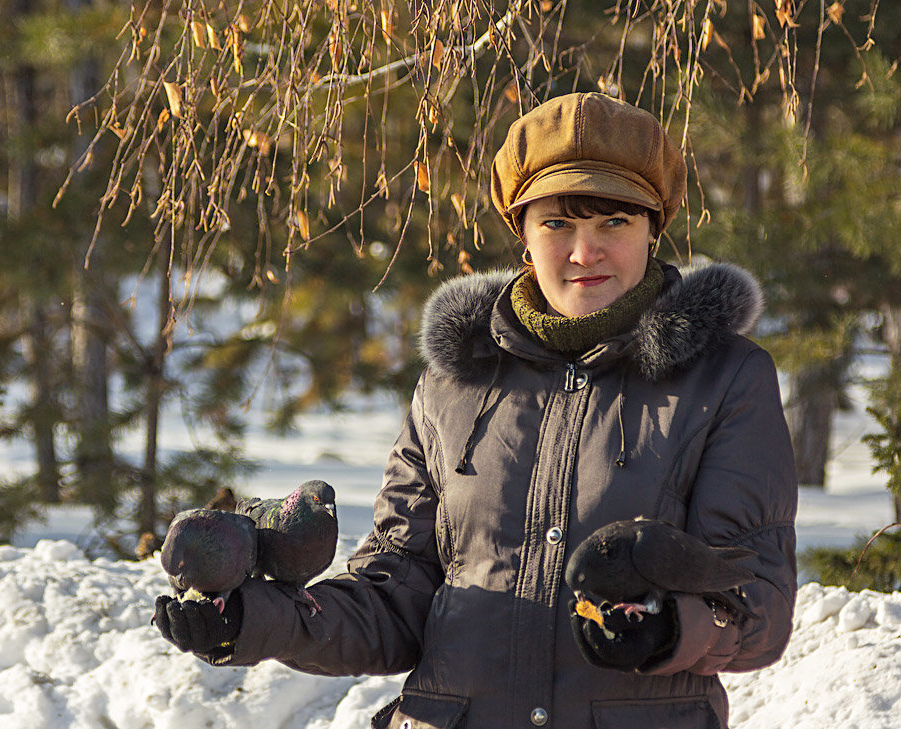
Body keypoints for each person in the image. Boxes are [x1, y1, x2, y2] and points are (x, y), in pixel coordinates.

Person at [153, 92, 797, 729]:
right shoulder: (453, 386)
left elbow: (756, 599)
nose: (584, 251)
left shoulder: (726, 379)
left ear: (655, 229)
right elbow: (396, 594)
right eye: (557, 224)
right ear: (522, 231)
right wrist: (250, 619)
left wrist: (667, 627)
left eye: (614, 223)